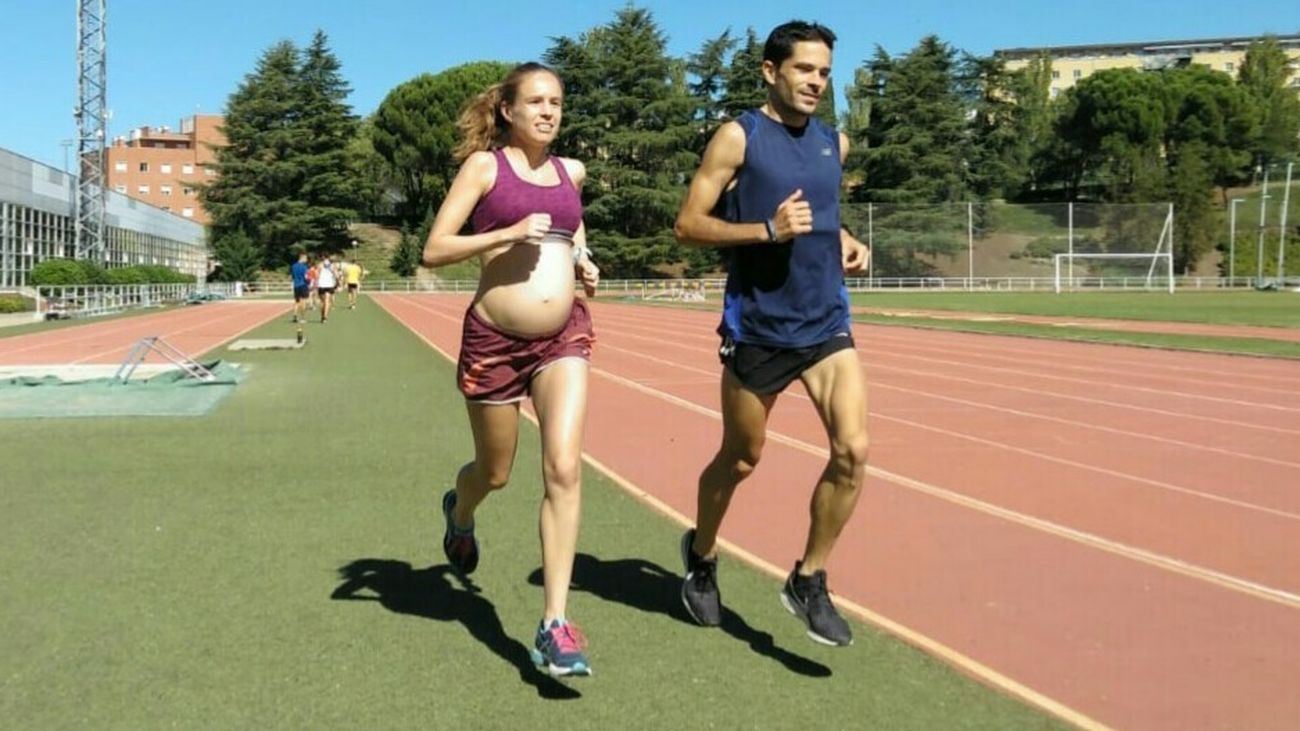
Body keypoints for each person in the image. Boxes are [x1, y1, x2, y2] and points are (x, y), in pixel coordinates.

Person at [672, 20, 870, 648]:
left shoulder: (833, 143)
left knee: (853, 450)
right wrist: (766, 231)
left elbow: (823, 216)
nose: (816, 82)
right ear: (770, 71)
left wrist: (845, 240)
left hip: (826, 322)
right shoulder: (739, 137)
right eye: (804, 69)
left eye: (824, 72)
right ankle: (702, 553)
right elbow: (688, 225)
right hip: (759, 327)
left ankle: (808, 579)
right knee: (742, 458)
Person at [421, 62, 601, 677]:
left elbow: (572, 230)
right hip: (494, 343)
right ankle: (460, 511)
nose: (549, 112)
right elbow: (435, 248)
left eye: (557, 102)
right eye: (537, 102)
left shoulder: (572, 171)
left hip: (563, 338)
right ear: (508, 110)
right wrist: (504, 234)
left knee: (564, 467)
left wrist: (583, 259)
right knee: (495, 473)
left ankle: (555, 623)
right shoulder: (485, 168)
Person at [316, 255, 339, 323]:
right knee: (327, 301)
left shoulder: (320, 265)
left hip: (321, 284)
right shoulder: (333, 266)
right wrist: (337, 283)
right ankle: (325, 316)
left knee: (322, 301)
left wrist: (316, 283)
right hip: (329, 284)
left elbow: (316, 275)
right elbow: (337, 275)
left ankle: (322, 316)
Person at [290, 252, 310, 323]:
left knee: (297, 301)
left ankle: (295, 316)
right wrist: (308, 282)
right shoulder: (304, 267)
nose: (306, 260)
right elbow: (306, 277)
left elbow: (292, 276)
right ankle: (302, 318)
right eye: (306, 258)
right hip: (303, 284)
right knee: (303, 301)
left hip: (296, 285)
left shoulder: (293, 266)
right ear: (302, 258)